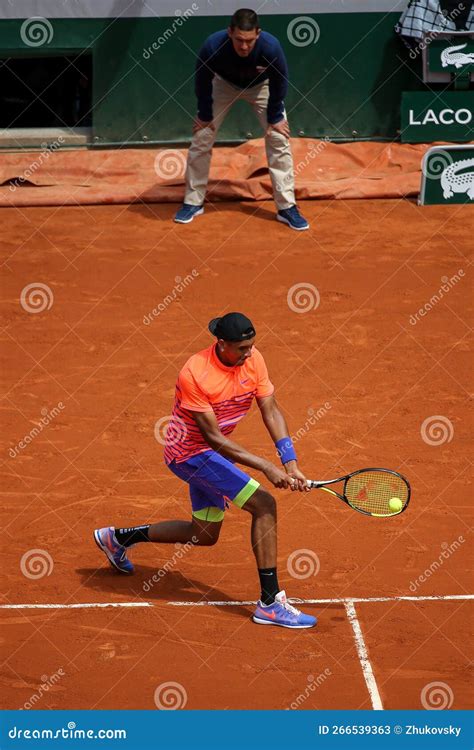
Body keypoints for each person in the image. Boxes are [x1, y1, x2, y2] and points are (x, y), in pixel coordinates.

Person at [94, 312, 317, 629]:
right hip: (190, 454)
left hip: (211, 454)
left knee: (204, 534)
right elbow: (213, 438)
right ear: (222, 344)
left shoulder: (253, 360)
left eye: (252, 346)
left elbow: (270, 408)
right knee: (264, 505)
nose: (249, 353)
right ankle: (269, 603)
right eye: (242, 348)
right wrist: (267, 467)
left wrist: (289, 461)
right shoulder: (195, 373)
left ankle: (117, 539)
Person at [174, 8, 309, 231]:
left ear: (258, 34)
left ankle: (286, 207)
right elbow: (202, 79)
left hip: (260, 87)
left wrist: (275, 116)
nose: (244, 46)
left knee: (278, 137)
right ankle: (192, 202)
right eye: (239, 40)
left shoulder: (271, 47)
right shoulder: (213, 45)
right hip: (223, 85)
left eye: (249, 41)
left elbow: (280, 80)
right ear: (230, 32)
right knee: (202, 136)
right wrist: (205, 115)